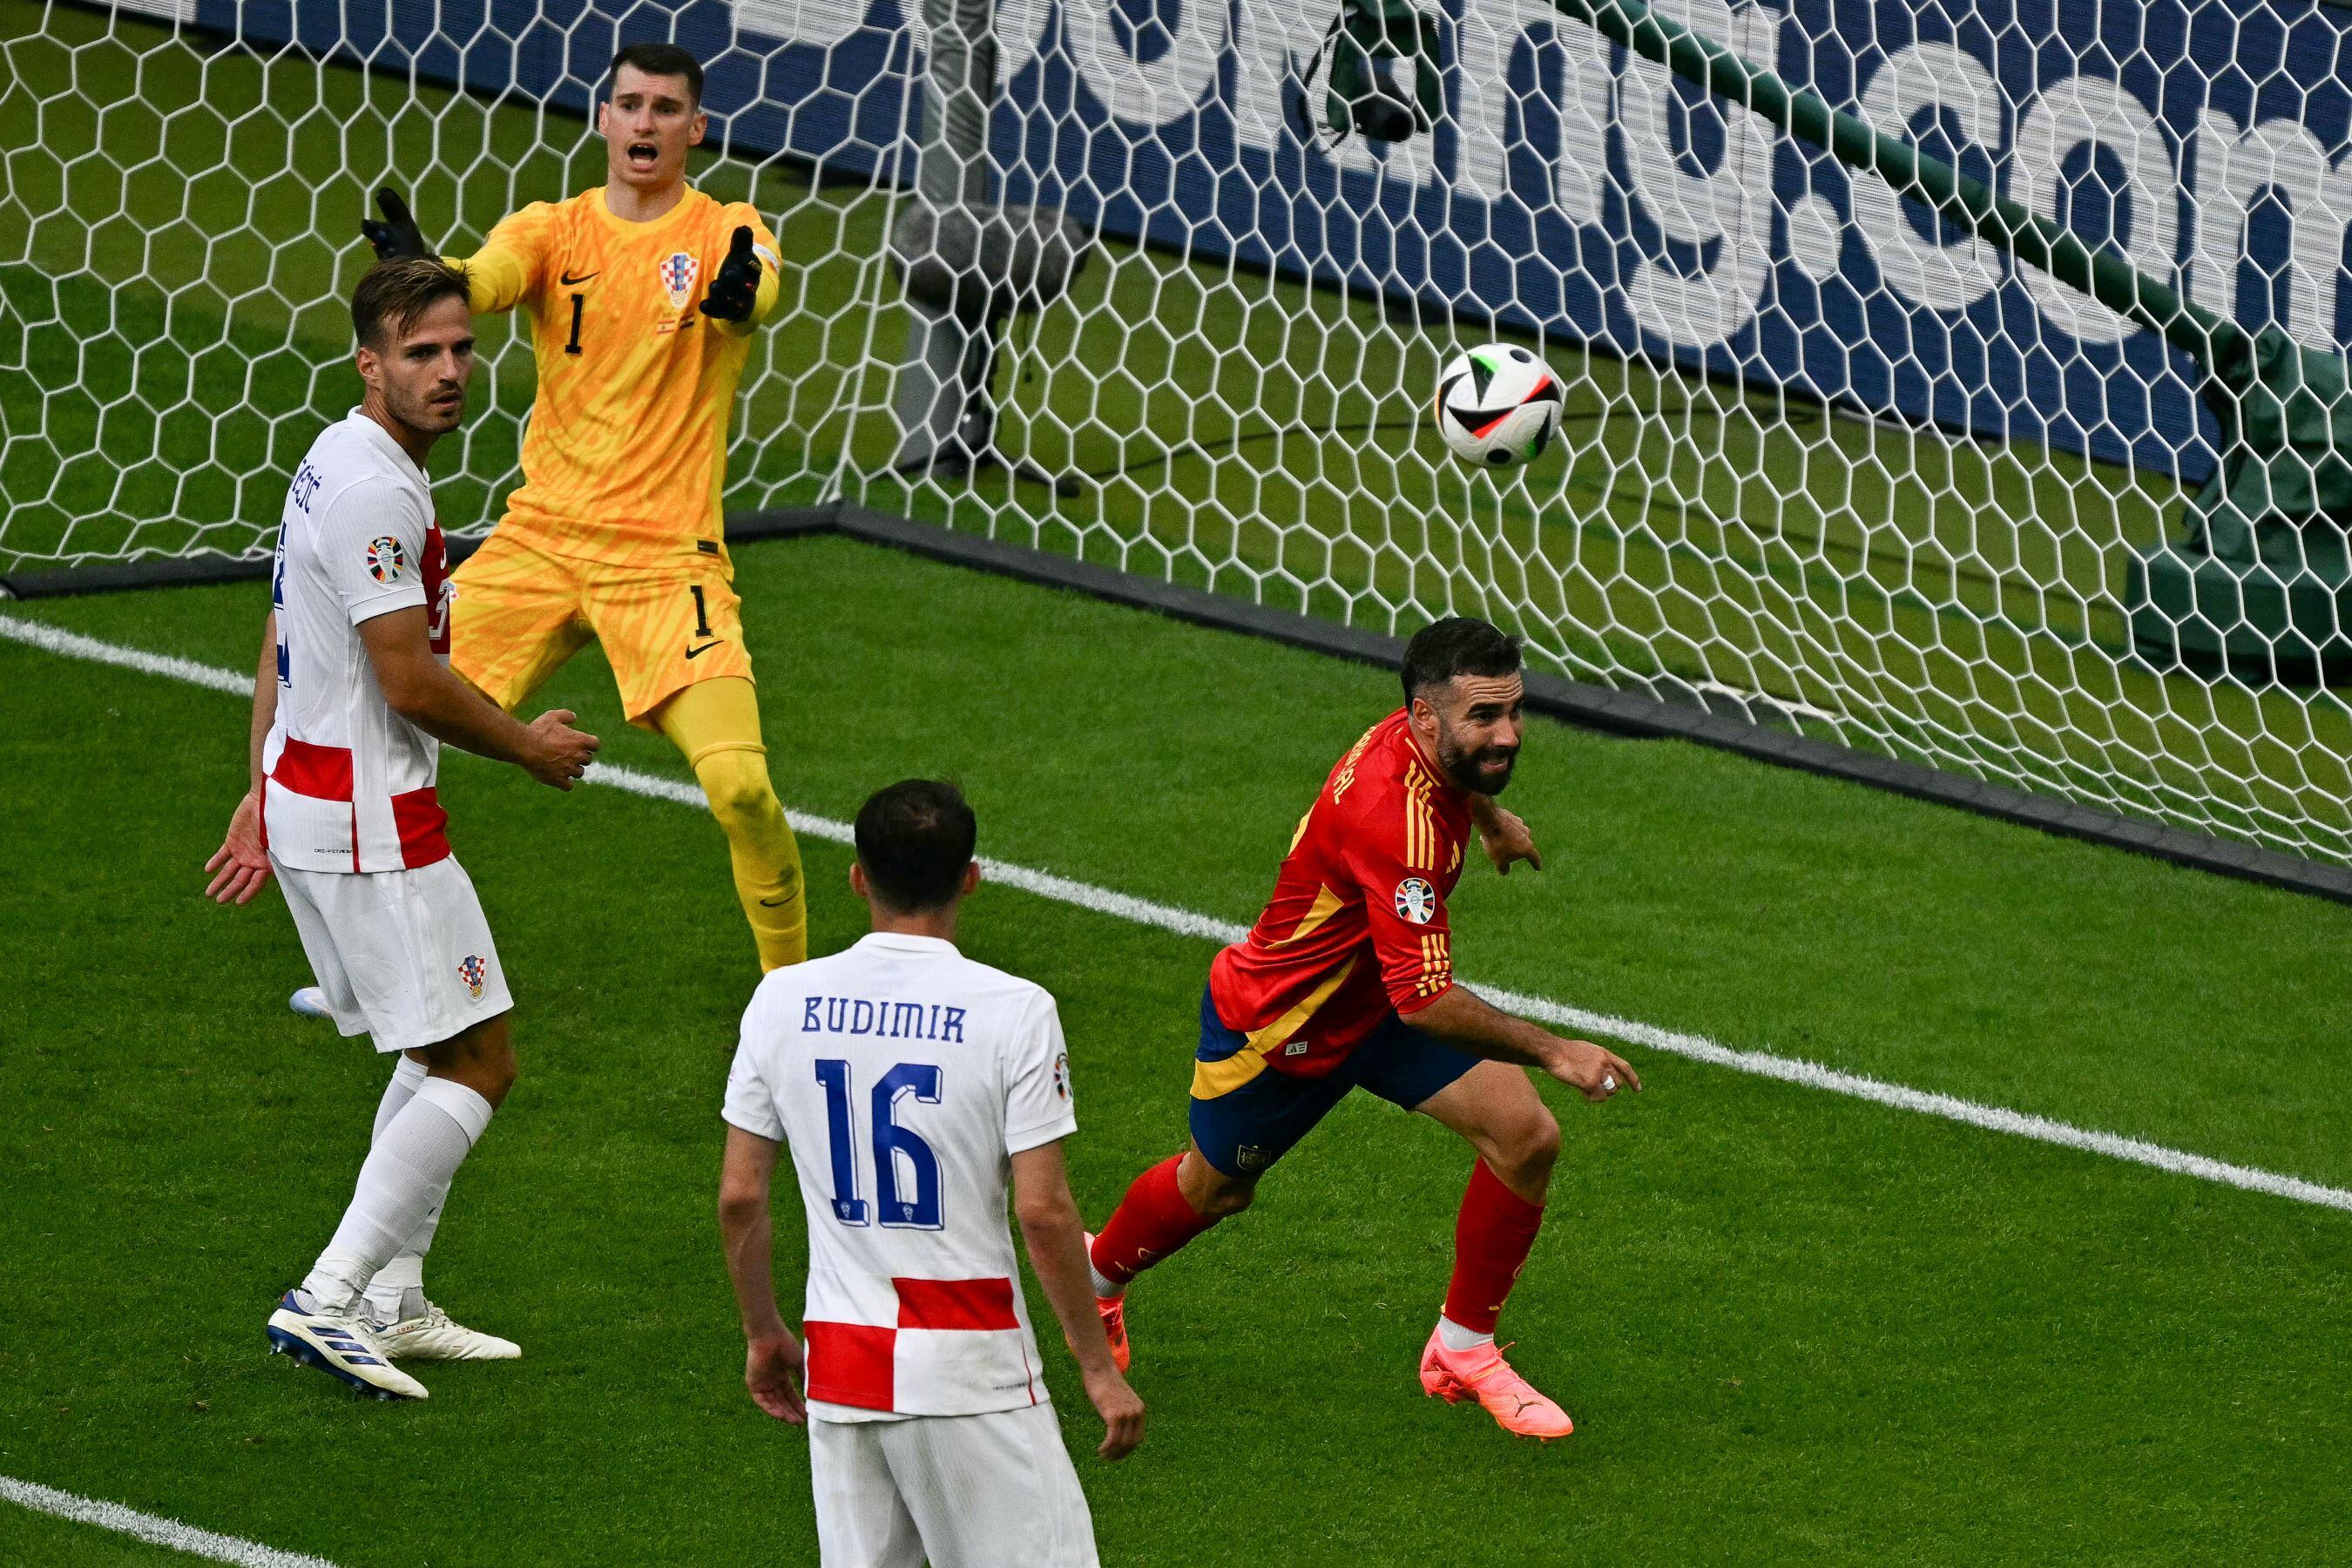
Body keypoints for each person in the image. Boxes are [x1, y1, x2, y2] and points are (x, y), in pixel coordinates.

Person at [1080, 617, 1642, 1440]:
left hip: (1375, 997)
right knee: (1218, 1188)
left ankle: (1463, 1348)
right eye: (1485, 717)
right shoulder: (1396, 820)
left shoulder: (1415, 739)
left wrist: (1488, 818)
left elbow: (1409, 983)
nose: (1509, 733)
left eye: (1514, 711)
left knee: (1525, 1136)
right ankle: (1095, 1279)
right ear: (1423, 718)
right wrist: (1558, 1049)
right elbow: (1426, 1000)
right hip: (1283, 1031)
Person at [204, 257, 600, 1399]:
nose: (448, 373)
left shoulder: (333, 457)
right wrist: (527, 745)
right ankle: (329, 1297)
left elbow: (284, 630)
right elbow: (408, 680)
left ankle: (394, 1297)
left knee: (437, 1047)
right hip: (369, 820)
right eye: (420, 354)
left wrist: (259, 782)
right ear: (367, 362)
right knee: (482, 1059)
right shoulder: (381, 493)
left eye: (460, 349)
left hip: (311, 795)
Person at [360, 40, 806, 973]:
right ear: (603, 118)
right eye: (630, 105)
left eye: (664, 108)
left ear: (697, 126)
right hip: (543, 541)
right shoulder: (552, 228)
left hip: (665, 558)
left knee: (741, 791)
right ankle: (374, 967)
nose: (644, 123)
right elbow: (483, 282)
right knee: (381, 725)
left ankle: (789, 996)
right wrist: (427, 276)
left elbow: (758, 285)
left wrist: (741, 294)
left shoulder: (729, 226)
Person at [716, 781, 1145, 1565]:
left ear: (856, 876)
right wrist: (1096, 1367)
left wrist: (762, 1331)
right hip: (968, 1364)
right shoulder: (1014, 1010)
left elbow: (742, 1195)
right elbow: (1044, 1213)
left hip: (844, 1370)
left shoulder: (781, 999)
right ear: (971, 877)